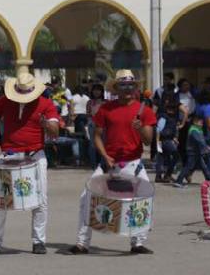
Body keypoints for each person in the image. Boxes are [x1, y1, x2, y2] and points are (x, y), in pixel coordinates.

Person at [70, 69, 157, 255]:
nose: (127, 89)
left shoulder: (145, 110)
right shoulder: (106, 109)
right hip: (108, 164)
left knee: (143, 200)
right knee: (86, 197)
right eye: (123, 85)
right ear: (116, 88)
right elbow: (97, 136)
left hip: (133, 164)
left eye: (131, 85)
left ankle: (138, 243)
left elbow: (148, 140)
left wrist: (140, 128)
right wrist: (105, 155)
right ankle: (81, 243)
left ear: (135, 87)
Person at [0, 71, 59, 255]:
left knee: (41, 200)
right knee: (0, 198)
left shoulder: (46, 104)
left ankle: (38, 241)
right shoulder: (5, 101)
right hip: (10, 153)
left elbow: (55, 132)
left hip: (35, 154)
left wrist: (45, 123)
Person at [171, 111, 210, 187]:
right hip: (193, 152)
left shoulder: (198, 129)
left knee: (203, 167)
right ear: (195, 122)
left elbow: (202, 139)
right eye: (200, 122)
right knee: (188, 167)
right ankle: (178, 181)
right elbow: (199, 141)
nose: (202, 123)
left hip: (197, 152)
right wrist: (207, 147)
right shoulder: (194, 130)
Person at [155, 91, 182, 183]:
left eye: (173, 109)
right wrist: (158, 142)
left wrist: (174, 138)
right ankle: (167, 175)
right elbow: (158, 129)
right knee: (175, 156)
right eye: (170, 108)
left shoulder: (171, 117)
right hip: (164, 140)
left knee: (162, 158)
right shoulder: (164, 117)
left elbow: (171, 129)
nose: (172, 110)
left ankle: (160, 176)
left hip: (167, 139)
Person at [85, 84, 107, 168]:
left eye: (99, 90)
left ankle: (103, 162)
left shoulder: (105, 102)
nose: (96, 92)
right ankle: (93, 163)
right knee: (92, 144)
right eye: (95, 90)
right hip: (92, 123)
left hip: (103, 124)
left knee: (104, 143)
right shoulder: (90, 102)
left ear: (102, 91)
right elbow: (87, 114)